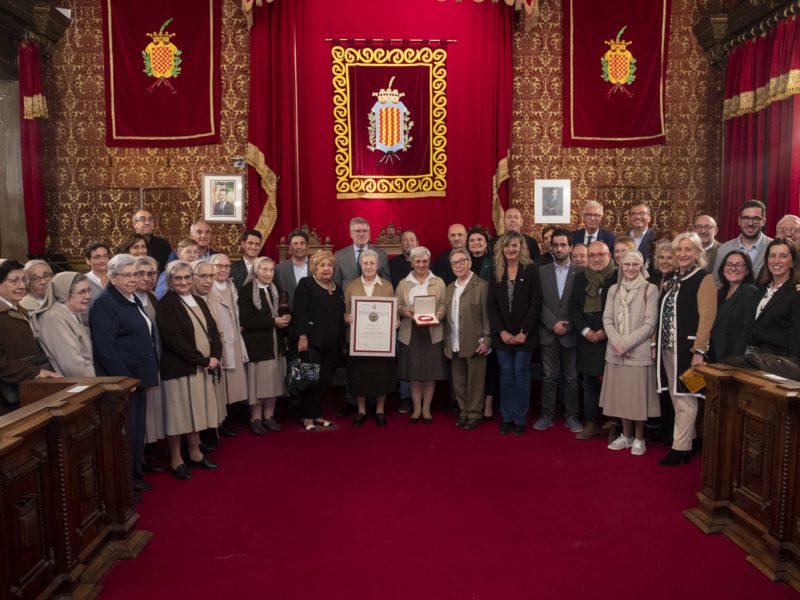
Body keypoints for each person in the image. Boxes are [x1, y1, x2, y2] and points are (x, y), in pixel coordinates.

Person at [90, 254, 159, 495]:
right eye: (127, 275)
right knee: (125, 434)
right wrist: (125, 381)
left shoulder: (130, 298)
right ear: (112, 277)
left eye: (136, 274)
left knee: (136, 430)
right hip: (124, 381)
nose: (133, 279)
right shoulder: (105, 303)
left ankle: (135, 474)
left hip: (137, 376)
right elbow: (105, 348)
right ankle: (125, 484)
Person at [156, 260, 222, 480]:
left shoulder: (198, 300)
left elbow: (213, 330)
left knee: (197, 412)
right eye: (178, 278)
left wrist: (215, 356)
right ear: (170, 280)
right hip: (179, 368)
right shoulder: (166, 304)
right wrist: (202, 360)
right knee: (178, 415)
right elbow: (174, 340)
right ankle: (176, 459)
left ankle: (195, 453)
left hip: (202, 368)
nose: (183, 282)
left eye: (187, 277)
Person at [656, 232, 717, 466]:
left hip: (690, 351)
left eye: (688, 249)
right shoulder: (672, 278)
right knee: (675, 395)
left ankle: (680, 449)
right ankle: (688, 441)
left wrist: (699, 351)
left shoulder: (704, 278)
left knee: (687, 397)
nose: (682, 254)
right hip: (669, 349)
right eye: (678, 250)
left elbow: (707, 317)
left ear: (697, 253)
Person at [600, 250, 660, 456]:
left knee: (637, 397)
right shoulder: (613, 290)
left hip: (638, 351)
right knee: (623, 396)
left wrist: (626, 344)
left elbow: (650, 323)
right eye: (627, 265)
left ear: (641, 266)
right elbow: (607, 319)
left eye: (635, 264)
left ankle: (639, 438)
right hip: (616, 351)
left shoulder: (649, 289)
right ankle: (625, 436)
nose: (631, 268)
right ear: (621, 266)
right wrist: (617, 342)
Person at [487, 231, 542, 435]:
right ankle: (507, 417)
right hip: (502, 335)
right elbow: (491, 306)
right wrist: (500, 331)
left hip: (524, 335)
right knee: (506, 374)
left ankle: (520, 419)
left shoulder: (531, 270)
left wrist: (523, 331)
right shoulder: (496, 271)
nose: (510, 250)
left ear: (521, 248)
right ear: (502, 249)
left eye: (514, 246)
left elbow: (536, 304)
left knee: (520, 373)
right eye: (507, 246)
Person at [724, 239, 800, 380]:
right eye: (772, 256)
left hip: (777, 362)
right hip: (752, 355)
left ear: (793, 262)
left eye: (783, 256)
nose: (776, 260)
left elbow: (797, 334)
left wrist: (793, 373)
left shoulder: (796, 291)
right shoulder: (761, 287)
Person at [535, 228, 583, 433]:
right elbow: (537, 302)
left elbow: (581, 304)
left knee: (571, 378)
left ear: (571, 247)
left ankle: (571, 416)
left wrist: (569, 324)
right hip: (548, 332)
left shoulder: (580, 272)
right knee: (548, 377)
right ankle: (547, 415)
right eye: (555, 245)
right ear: (551, 247)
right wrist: (552, 323)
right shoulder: (541, 271)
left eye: (563, 245)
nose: (559, 248)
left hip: (571, 333)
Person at [568, 241, 616, 440]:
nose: (596, 258)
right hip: (587, 339)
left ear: (609, 256)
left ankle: (615, 425)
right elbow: (573, 308)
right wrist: (586, 331)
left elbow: (624, 309)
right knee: (588, 384)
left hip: (612, 339)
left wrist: (606, 331)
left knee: (613, 384)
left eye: (601, 254)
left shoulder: (618, 276)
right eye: (592, 255)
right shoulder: (580, 278)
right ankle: (590, 423)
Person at [293, 250, 345, 431]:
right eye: (322, 265)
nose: (326, 268)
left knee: (324, 380)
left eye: (329, 265)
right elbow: (300, 312)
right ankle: (306, 416)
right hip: (311, 342)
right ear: (315, 268)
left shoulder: (337, 288)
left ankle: (317, 414)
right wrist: (302, 336)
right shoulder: (306, 284)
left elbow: (339, 314)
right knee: (310, 379)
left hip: (331, 344)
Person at [344, 249, 396, 427]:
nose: (368, 266)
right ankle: (361, 410)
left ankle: (380, 410)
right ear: (360, 265)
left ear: (378, 265)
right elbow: (346, 310)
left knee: (381, 374)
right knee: (359, 375)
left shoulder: (387, 286)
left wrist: (395, 320)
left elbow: (393, 311)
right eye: (365, 263)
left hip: (381, 342)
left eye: (372, 263)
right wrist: (346, 317)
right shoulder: (351, 286)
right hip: (359, 342)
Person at [0, 260, 60, 413]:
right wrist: (35, 372)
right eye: (14, 281)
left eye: (23, 280)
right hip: (7, 401)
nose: (21, 286)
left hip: (27, 391)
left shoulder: (18, 309)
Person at [239, 256, 290, 435]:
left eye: (271, 270)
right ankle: (256, 419)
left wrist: (286, 317)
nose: (268, 273)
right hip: (257, 345)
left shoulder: (275, 289)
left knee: (274, 383)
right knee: (258, 385)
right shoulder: (246, 291)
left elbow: (284, 309)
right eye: (264, 270)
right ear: (256, 270)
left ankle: (269, 417)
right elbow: (247, 320)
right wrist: (273, 321)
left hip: (276, 344)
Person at [396, 246, 447, 424]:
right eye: (417, 261)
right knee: (414, 374)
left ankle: (426, 409)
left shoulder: (438, 282)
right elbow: (397, 305)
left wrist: (438, 315)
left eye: (425, 261)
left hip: (432, 332)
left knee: (430, 374)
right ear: (411, 262)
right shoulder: (403, 283)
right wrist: (404, 310)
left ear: (429, 261)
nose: (421, 264)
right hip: (410, 333)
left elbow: (443, 305)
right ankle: (416, 408)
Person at [444, 248, 491, 430]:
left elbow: (487, 316)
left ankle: (474, 413)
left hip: (475, 341)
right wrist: (446, 343)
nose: (458, 265)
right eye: (454, 263)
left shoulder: (481, 286)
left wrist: (486, 340)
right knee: (459, 379)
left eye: (462, 261)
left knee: (476, 380)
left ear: (469, 262)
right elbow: (446, 320)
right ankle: (463, 411)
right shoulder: (450, 288)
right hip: (454, 341)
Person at [192, 260, 237, 442]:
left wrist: (216, 354)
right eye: (203, 276)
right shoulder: (191, 298)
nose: (208, 280)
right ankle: (201, 438)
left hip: (213, 357)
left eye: (210, 276)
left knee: (215, 396)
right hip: (198, 360)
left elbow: (218, 329)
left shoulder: (211, 296)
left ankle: (215, 429)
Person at [209, 254, 251, 434]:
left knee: (232, 382)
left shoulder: (230, 285)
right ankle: (219, 423)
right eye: (219, 266)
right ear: (211, 267)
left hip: (233, 338)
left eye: (226, 266)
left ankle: (229, 417)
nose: (223, 269)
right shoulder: (207, 287)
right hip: (218, 341)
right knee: (220, 384)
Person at [30, 272, 94, 377]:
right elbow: (72, 364)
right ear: (64, 293)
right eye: (82, 292)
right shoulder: (53, 318)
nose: (88, 296)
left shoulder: (71, 312)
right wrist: (94, 383)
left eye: (88, 290)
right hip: (75, 383)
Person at [133, 256, 167, 456]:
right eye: (141, 274)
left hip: (157, 358)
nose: (147, 278)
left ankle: (151, 445)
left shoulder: (153, 297)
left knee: (154, 407)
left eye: (152, 274)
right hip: (140, 363)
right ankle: (141, 452)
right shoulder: (130, 299)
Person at [709, 251, 759, 362]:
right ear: (723, 268)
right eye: (729, 264)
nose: (734, 268)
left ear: (747, 271)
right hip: (714, 354)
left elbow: (746, 330)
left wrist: (735, 360)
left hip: (732, 358)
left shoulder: (750, 292)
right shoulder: (720, 292)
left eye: (739, 265)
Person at [712, 199, 773, 281]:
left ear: (763, 221)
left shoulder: (773, 247)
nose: (750, 223)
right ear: (739, 221)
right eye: (745, 218)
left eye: (755, 219)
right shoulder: (724, 249)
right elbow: (717, 282)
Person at [333, 217, 390, 290]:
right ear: (351, 234)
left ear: (369, 233)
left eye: (364, 231)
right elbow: (336, 284)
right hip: (348, 299)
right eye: (357, 231)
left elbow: (386, 283)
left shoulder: (381, 255)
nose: (361, 234)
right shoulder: (339, 256)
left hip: (374, 299)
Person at [275, 228, 310, 305]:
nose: (299, 246)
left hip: (314, 314)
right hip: (289, 314)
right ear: (290, 247)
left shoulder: (317, 267)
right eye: (295, 244)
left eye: (302, 243)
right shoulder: (279, 269)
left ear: (307, 246)